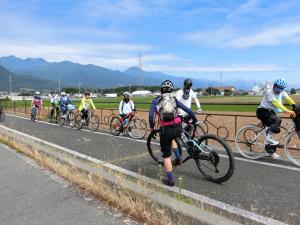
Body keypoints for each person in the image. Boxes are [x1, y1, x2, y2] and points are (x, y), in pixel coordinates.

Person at [149, 80, 197, 186]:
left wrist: (152, 128)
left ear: (161, 90)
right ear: (171, 91)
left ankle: (170, 181)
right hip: (178, 127)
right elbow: (188, 110)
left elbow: (151, 116)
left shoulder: (156, 100)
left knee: (166, 156)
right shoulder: (174, 99)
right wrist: (194, 120)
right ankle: (179, 158)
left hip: (165, 129)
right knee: (173, 139)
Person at [256, 78, 296, 158]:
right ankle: (268, 139)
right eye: (278, 89)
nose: (279, 91)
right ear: (274, 86)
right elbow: (276, 103)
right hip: (262, 111)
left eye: (281, 90)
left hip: (270, 111)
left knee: (271, 128)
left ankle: (269, 152)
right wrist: (288, 111)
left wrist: (294, 105)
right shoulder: (269, 91)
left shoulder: (281, 92)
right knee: (277, 120)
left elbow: (288, 99)